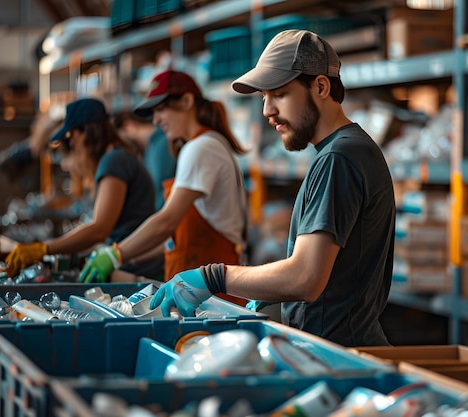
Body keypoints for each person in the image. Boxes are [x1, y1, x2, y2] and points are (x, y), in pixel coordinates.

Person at [148, 30, 396, 347]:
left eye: (279, 94)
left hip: (335, 355)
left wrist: (214, 277)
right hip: (334, 346)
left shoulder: (339, 158)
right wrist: (276, 299)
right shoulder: (349, 150)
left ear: (320, 87)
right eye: (264, 97)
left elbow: (305, 277)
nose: (267, 110)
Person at [80, 70, 249, 306]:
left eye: (160, 110)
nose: (156, 121)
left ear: (187, 102)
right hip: (200, 294)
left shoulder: (201, 148)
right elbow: (173, 237)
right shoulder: (205, 145)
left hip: (211, 297)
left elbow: (166, 221)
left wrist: (116, 253)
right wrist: (127, 256)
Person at [4, 97, 164, 280]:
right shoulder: (117, 157)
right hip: (130, 264)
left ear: (86, 132)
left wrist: (44, 248)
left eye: (72, 136)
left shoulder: (115, 161)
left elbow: (99, 228)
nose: (72, 144)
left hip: (137, 269)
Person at [112, 111, 177, 210]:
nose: (122, 147)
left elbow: (162, 189)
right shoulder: (150, 149)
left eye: (121, 140)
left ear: (128, 126)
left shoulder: (162, 143)